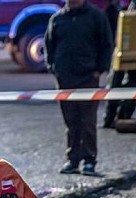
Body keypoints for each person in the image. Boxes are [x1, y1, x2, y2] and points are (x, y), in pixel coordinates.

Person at [44, 0, 112, 176]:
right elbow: (49, 46)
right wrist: (53, 68)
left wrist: (99, 70)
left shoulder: (96, 17)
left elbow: (106, 44)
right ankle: (72, 160)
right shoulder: (57, 19)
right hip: (65, 79)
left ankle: (89, 161)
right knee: (71, 121)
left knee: (88, 121)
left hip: (88, 78)